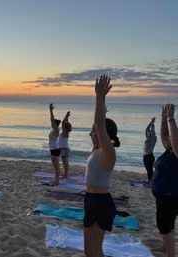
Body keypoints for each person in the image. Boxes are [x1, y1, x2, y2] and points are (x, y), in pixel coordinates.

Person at [83, 75, 120, 257]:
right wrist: (103, 101)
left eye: (93, 131)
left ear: (102, 133)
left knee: (93, 251)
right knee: (90, 251)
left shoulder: (108, 152)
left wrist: (98, 95)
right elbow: (99, 121)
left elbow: (99, 123)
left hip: (100, 203)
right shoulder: (96, 149)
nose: (91, 133)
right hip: (91, 200)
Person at [151, 103, 178, 257]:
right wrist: (163, 119)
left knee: (164, 224)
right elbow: (164, 135)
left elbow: (174, 139)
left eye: (171, 138)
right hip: (163, 195)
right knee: (168, 224)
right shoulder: (169, 152)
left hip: (171, 196)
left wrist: (171, 119)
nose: (167, 139)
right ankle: (165, 247)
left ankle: (171, 254)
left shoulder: (176, 153)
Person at [48, 103, 61, 185]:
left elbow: (52, 120)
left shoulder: (56, 130)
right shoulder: (54, 130)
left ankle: (57, 182)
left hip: (55, 149)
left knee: (56, 167)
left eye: (53, 123)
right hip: (54, 149)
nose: (51, 124)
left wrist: (51, 111)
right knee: (55, 167)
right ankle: (56, 181)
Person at [143, 117, 157, 184]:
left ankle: (151, 181)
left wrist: (152, 122)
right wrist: (150, 123)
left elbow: (153, 130)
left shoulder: (153, 138)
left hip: (150, 156)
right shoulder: (147, 138)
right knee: (148, 170)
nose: (148, 133)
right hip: (145, 156)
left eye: (149, 132)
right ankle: (150, 180)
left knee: (150, 169)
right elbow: (146, 129)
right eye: (148, 132)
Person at [59, 111, 72, 178]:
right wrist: (67, 117)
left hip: (64, 149)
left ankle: (66, 174)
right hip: (64, 148)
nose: (63, 127)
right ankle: (66, 174)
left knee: (65, 162)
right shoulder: (66, 132)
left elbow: (63, 123)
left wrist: (66, 115)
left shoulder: (65, 133)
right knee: (64, 162)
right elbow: (65, 123)